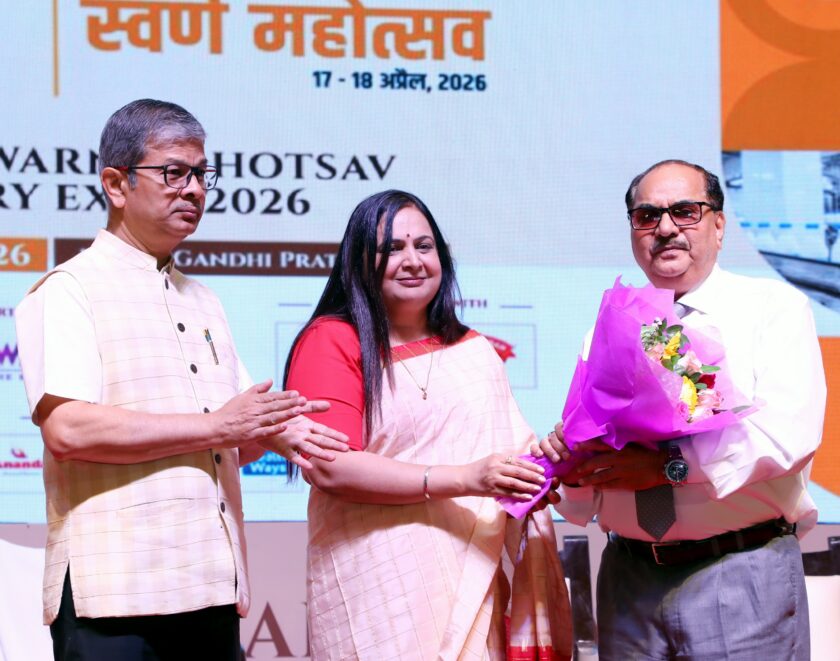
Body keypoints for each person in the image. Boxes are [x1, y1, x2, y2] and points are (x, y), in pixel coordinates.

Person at [14, 99, 349, 661]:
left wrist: (276, 431)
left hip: (210, 585)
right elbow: (68, 430)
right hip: (113, 594)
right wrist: (218, 425)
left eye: (200, 174)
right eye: (173, 172)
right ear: (116, 185)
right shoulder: (70, 288)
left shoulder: (204, 299)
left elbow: (234, 439)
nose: (193, 189)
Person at [537, 159, 826, 660]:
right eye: (647, 216)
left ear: (719, 225)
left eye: (685, 211)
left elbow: (787, 439)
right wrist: (572, 464)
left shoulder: (773, 309)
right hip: (628, 578)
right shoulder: (607, 329)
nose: (666, 228)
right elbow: (584, 503)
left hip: (739, 569)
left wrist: (667, 468)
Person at [283, 189, 572, 660]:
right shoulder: (332, 340)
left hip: (469, 571)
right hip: (376, 588)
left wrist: (541, 469)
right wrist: (466, 478)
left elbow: (510, 450)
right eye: (392, 249)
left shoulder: (473, 349)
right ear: (359, 261)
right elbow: (329, 467)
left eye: (424, 246)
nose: (413, 261)